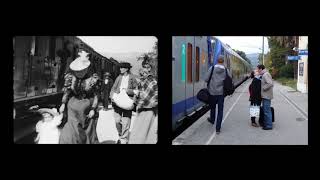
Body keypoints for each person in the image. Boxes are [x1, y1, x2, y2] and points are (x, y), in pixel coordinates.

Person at [58, 51, 100, 144]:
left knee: (87, 131)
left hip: (87, 106)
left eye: (82, 70)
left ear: (86, 69)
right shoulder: (70, 77)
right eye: (77, 71)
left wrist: (93, 109)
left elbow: (96, 95)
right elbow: (67, 91)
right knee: (71, 130)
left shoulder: (93, 79)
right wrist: (63, 104)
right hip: (73, 105)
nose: (79, 73)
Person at [129, 65, 158, 144]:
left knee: (142, 132)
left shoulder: (150, 81)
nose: (141, 70)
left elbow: (145, 95)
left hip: (148, 109)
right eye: (142, 67)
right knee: (145, 132)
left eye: (145, 67)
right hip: (146, 108)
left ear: (149, 69)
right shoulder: (145, 80)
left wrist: (137, 93)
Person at [110, 62, 138, 144]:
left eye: (122, 67)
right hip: (117, 102)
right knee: (117, 121)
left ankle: (123, 139)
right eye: (120, 67)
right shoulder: (119, 77)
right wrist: (112, 96)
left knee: (126, 122)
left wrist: (128, 92)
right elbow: (113, 88)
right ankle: (120, 134)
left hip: (128, 103)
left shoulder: (133, 78)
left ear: (126, 69)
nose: (120, 69)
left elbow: (136, 91)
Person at [204, 55, 231, 134]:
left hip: (212, 92)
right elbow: (229, 80)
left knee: (212, 107)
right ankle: (218, 129)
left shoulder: (212, 68)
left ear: (217, 60)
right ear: (223, 61)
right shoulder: (226, 70)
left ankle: (212, 120)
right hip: (221, 93)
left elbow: (206, 79)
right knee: (220, 110)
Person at [257, 64, 274, 130]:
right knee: (266, 110)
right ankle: (266, 123)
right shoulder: (265, 74)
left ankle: (269, 125)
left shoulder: (265, 74)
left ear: (261, 69)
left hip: (266, 95)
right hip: (266, 95)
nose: (257, 70)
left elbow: (270, 83)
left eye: (258, 69)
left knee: (267, 111)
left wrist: (263, 88)